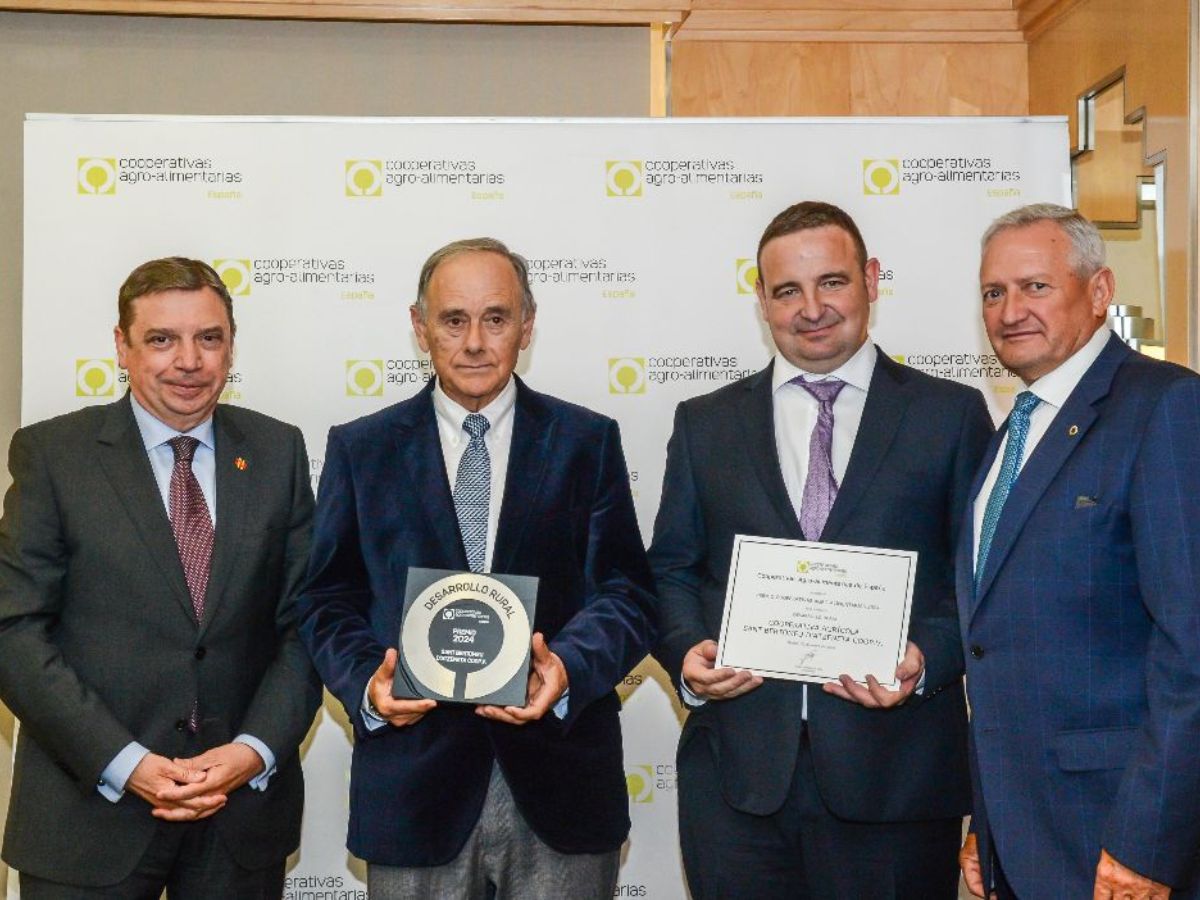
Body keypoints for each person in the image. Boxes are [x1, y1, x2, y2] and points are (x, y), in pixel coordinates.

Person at [649, 201, 993, 899]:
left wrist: (925, 658)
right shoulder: (705, 423)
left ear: (870, 279)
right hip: (737, 783)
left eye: (831, 282)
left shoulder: (950, 416)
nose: (812, 308)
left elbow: (983, 580)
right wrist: (686, 650)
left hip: (897, 780)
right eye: (787, 291)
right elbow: (671, 569)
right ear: (761, 300)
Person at [296, 237, 655, 899]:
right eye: (453, 320)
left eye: (496, 318)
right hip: (413, 786)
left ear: (527, 324)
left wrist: (566, 668)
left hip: (561, 781)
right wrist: (367, 687)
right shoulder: (361, 448)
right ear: (419, 325)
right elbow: (324, 598)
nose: (474, 342)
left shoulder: (587, 442)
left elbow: (628, 592)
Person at [0, 257, 321, 897]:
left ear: (231, 344)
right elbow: (13, 630)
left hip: (238, 821)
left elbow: (307, 623)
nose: (189, 361)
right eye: (161, 339)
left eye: (209, 338)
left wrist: (252, 751)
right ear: (121, 346)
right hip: (87, 816)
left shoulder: (278, 451)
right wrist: (129, 764)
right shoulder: (53, 455)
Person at [958, 203, 1200, 900]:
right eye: (993, 293)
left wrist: (1146, 846)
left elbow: (1191, 650)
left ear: (1098, 293)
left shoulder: (1165, 408)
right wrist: (989, 820)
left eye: (1035, 286)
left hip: (1116, 841)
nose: (1009, 311)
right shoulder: (1018, 426)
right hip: (1026, 832)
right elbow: (997, 645)